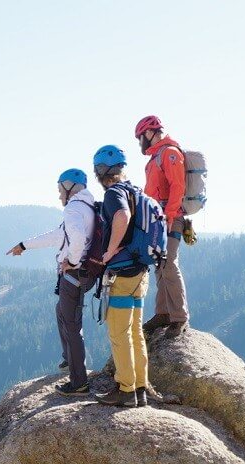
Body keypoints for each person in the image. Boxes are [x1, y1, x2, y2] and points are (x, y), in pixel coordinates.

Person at [7, 168, 98, 395]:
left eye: (60, 190)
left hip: (74, 275)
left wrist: (73, 261)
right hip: (84, 275)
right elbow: (58, 236)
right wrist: (25, 245)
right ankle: (69, 359)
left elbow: (75, 238)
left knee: (72, 325)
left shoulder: (73, 209)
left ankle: (79, 382)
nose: (58, 195)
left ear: (69, 187)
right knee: (62, 312)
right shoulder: (87, 207)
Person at [91, 145, 149, 407]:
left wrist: (110, 251)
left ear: (102, 171)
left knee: (119, 332)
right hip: (140, 272)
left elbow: (122, 216)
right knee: (135, 331)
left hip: (122, 273)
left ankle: (125, 390)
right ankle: (139, 388)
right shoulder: (135, 191)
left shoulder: (115, 193)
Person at [135, 115, 190, 337]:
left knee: (168, 264)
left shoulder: (170, 153)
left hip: (171, 217)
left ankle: (179, 317)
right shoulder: (157, 157)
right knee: (160, 264)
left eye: (141, 137)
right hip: (157, 219)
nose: (140, 142)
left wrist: (169, 216)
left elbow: (178, 186)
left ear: (150, 132)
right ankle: (164, 313)